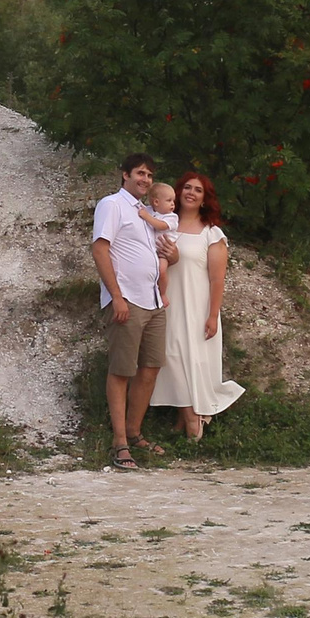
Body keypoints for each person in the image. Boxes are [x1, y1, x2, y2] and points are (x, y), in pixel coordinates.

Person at [92, 152, 173, 469]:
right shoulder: (112, 205)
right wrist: (117, 297)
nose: (146, 180)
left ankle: (135, 432)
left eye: (150, 175)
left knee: (150, 368)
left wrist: (173, 254)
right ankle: (120, 443)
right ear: (124, 174)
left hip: (153, 301)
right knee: (122, 370)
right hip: (128, 300)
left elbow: (160, 255)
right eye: (140, 173)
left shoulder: (148, 212)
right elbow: (100, 249)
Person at [151, 171, 243, 438]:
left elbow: (217, 280)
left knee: (187, 360)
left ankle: (192, 420)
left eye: (198, 190)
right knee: (170, 358)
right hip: (166, 304)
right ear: (178, 193)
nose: (191, 193)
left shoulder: (211, 234)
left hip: (196, 308)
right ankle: (190, 416)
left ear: (205, 199)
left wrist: (213, 315)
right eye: (187, 187)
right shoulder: (163, 224)